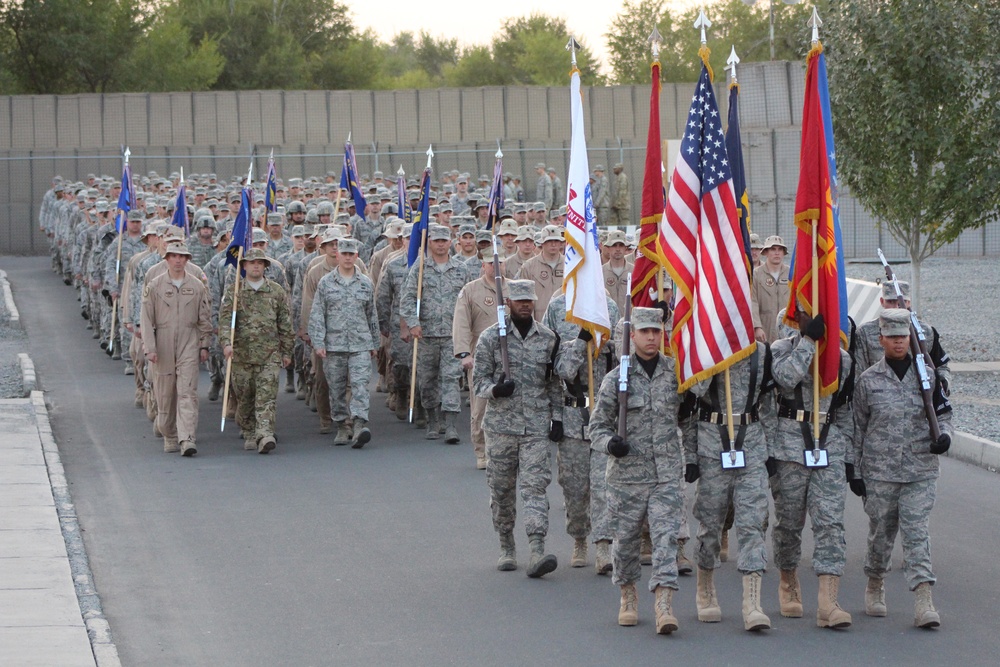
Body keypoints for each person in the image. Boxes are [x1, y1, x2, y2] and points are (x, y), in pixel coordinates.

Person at [852, 308, 953, 629]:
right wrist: (854, 470)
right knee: (881, 534)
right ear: (880, 340)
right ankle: (875, 582)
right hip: (880, 471)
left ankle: (924, 599)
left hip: (920, 469)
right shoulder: (867, 382)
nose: (899, 342)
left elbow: (944, 413)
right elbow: (857, 428)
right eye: (892, 337)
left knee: (916, 533)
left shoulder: (928, 375)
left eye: (903, 336)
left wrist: (945, 437)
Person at [588, 307, 685, 634]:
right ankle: (628, 595)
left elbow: (686, 418)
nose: (651, 337)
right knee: (627, 542)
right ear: (631, 337)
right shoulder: (616, 379)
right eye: (644, 332)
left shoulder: (675, 373)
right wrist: (610, 444)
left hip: (666, 474)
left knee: (665, 539)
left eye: (656, 331)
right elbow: (596, 428)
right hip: (627, 478)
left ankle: (664, 605)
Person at [770, 309, 854, 628]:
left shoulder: (842, 358)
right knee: (790, 524)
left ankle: (827, 602)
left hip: (828, 447)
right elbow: (786, 378)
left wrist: (846, 455)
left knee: (831, 523)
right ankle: (788, 582)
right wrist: (807, 341)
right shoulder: (779, 351)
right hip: (789, 447)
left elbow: (845, 407)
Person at [473, 279, 563, 578]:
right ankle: (506, 544)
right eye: (519, 300)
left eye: (529, 300)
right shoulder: (490, 338)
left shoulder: (548, 338)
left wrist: (558, 418)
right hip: (500, 428)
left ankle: (537, 547)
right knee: (501, 490)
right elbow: (478, 382)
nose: (525, 304)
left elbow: (554, 384)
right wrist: (496, 390)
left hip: (536, 426)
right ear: (508, 302)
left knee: (535, 488)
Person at [686, 343, 776, 631]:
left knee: (753, 524)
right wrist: (690, 456)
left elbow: (769, 403)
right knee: (711, 524)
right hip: (712, 446)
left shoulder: (761, 353)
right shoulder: (704, 343)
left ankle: (752, 603)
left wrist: (770, 449)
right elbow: (692, 397)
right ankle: (706, 587)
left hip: (750, 446)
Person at [548, 289, 621, 574]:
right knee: (575, 489)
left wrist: (606, 341)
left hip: (603, 415)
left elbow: (622, 359)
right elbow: (561, 369)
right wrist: (581, 340)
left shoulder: (610, 307)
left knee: (603, 488)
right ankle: (579, 538)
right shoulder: (557, 307)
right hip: (572, 415)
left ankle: (603, 546)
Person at [219, 248, 295, 453]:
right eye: (251, 262)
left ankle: (264, 434)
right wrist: (226, 344)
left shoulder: (276, 291)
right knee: (245, 396)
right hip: (241, 355)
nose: (255, 266)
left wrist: (287, 351)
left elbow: (285, 324)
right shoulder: (234, 292)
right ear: (244, 266)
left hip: (269, 354)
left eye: (259, 263)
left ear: (265, 266)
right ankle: (248, 428)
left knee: (266, 396)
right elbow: (225, 322)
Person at [140, 242, 213, 456]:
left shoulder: (197, 286)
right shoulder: (154, 286)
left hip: (189, 341)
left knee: (187, 392)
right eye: (173, 256)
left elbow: (205, 318)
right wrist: (150, 348)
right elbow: (146, 319)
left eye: (182, 256)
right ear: (167, 259)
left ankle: (187, 437)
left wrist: (204, 344)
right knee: (164, 393)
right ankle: (169, 433)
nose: (178, 260)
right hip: (162, 342)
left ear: (188, 259)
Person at [400, 224, 471, 442]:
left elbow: (468, 301)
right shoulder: (420, 269)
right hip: (426, 335)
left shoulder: (462, 269)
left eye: (444, 240)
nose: (440, 244)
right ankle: (432, 419)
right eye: (436, 241)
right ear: (429, 243)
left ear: (451, 242)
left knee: (451, 379)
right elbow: (407, 299)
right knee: (428, 380)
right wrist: (413, 323)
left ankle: (450, 425)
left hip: (452, 335)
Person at [308, 238, 380, 448]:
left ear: (357, 256)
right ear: (337, 255)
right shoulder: (326, 283)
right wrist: (318, 342)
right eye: (344, 254)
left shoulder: (366, 283)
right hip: (334, 344)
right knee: (337, 387)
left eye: (352, 254)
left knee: (359, 386)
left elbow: (371, 315)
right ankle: (341, 424)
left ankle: (359, 425)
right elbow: (318, 315)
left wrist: (374, 343)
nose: (348, 258)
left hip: (360, 344)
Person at [452, 253, 508, 470]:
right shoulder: (470, 290)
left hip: (511, 357)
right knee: (481, 407)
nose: (496, 266)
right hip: (481, 358)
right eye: (491, 263)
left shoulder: (514, 288)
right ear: (483, 265)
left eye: (500, 262)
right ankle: (482, 451)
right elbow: (461, 323)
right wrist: (464, 353)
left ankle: (506, 450)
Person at [854, 280, 951, 392]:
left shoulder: (924, 331)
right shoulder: (865, 332)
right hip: (879, 399)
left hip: (916, 401)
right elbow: (858, 374)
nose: (896, 306)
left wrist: (943, 383)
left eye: (901, 302)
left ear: (909, 303)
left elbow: (941, 366)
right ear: (882, 301)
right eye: (890, 301)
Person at [515, 225, 564, 322]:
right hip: (538, 322)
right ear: (542, 243)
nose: (553, 244)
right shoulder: (528, 267)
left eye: (556, 241)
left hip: (565, 323)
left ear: (561, 243)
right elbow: (522, 298)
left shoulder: (570, 266)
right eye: (549, 241)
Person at [751, 235, 790, 343]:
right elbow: (753, 301)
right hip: (764, 330)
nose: (777, 253)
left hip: (787, 330)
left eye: (780, 249)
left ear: (783, 253)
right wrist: (757, 327)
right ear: (766, 252)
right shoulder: (756, 274)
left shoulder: (791, 273)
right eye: (773, 249)